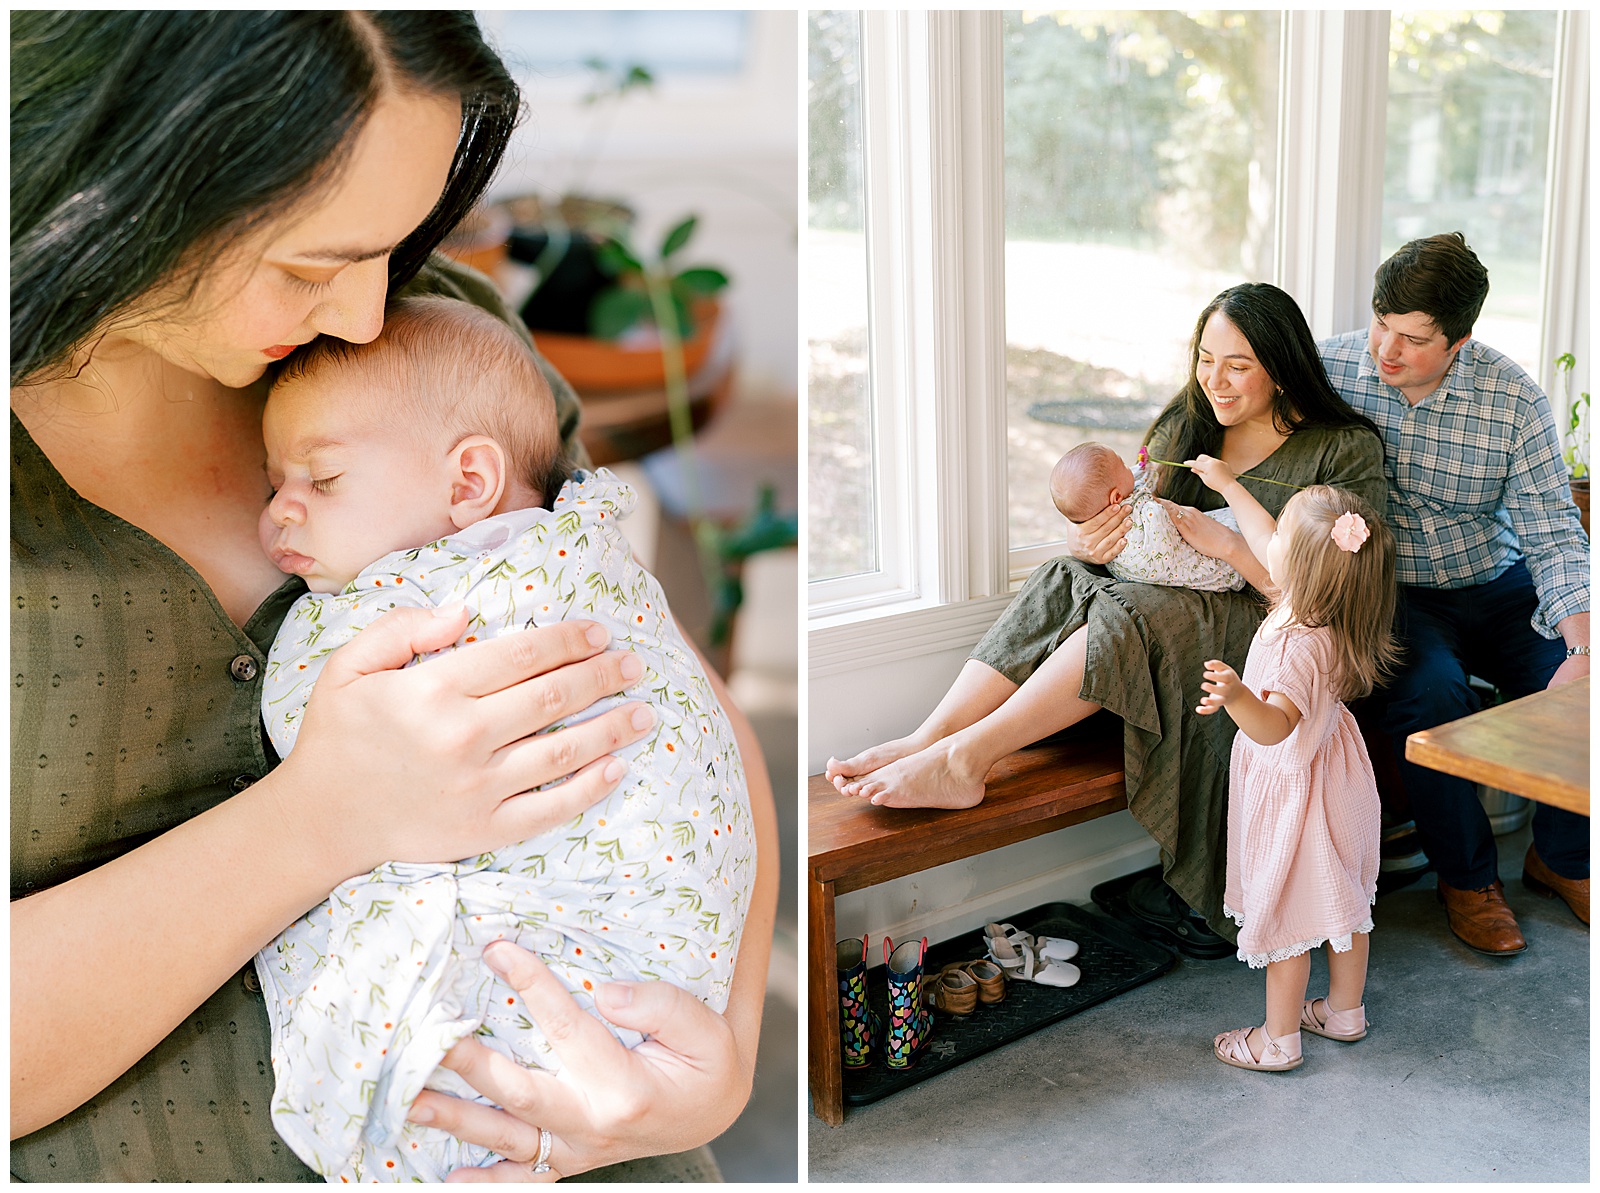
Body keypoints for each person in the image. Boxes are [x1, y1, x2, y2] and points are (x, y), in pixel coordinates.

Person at [11, 12, 777, 1183]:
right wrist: (321, 817)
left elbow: (661, 697)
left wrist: (717, 1060)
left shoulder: (437, 343)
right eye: (311, 264)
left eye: (397, 245)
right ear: (113, 181)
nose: (367, 314)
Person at [254, 297, 758, 1180]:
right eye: (273, 486)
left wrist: (728, 1066)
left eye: (320, 482)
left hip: (621, 1025)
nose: (282, 514)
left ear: (468, 485)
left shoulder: (539, 559)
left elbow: (702, 722)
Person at [828, 282, 1388, 947]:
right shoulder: (1188, 424)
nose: (1216, 379)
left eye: (1238, 364)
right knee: (1062, 574)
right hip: (1169, 598)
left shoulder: (1341, 448)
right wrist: (1086, 538)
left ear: (1282, 363)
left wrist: (1233, 547)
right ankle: (929, 737)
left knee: (1127, 609)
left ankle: (968, 759)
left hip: (1270, 626)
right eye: (1206, 358)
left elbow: (1337, 597)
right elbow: (1130, 517)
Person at [1318, 233, 1590, 956]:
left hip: (1500, 583)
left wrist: (1583, 643)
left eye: (1412, 338)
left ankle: (1562, 859)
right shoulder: (1332, 366)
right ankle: (1468, 882)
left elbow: (1554, 532)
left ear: (1461, 340)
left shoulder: (1514, 400)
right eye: (1382, 323)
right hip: (1398, 593)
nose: (1386, 349)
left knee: (1580, 689)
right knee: (1434, 698)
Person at [1190, 471, 1396, 1072]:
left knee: (1288, 913)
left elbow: (1274, 726)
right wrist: (1225, 483)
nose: (1267, 536)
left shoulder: (1292, 643)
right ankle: (1343, 1011)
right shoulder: (1327, 616)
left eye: (1280, 534)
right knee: (1344, 902)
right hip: (1337, 779)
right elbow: (1262, 536)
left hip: (1295, 790)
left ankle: (1277, 1040)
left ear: (1297, 570)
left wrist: (1235, 696)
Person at [1049, 441, 1246, 592]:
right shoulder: (1144, 513)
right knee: (1232, 524)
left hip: (1133, 577)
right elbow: (1155, 508)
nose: (1130, 468)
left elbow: (1137, 479)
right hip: (1220, 567)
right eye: (1124, 465)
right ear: (1116, 497)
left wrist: (1144, 467)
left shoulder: (1101, 510)